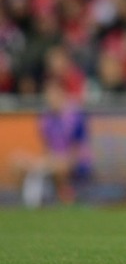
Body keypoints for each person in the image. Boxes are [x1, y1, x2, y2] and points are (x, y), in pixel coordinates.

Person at [10, 78, 92, 208]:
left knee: (60, 166)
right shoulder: (45, 119)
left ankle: (64, 199)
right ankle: (26, 203)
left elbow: (77, 151)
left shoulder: (75, 115)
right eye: (48, 94)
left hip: (74, 161)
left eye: (53, 93)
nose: (50, 98)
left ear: (62, 94)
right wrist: (43, 162)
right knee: (17, 160)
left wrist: (55, 161)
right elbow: (48, 148)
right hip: (53, 160)